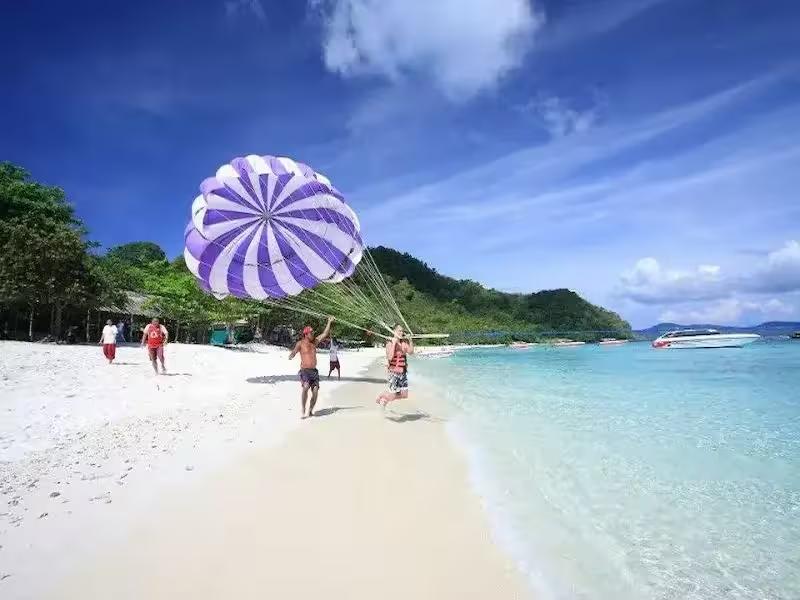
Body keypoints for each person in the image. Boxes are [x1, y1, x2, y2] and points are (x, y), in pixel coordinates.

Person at [289, 317, 333, 419]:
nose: (313, 334)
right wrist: (292, 355)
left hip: (314, 372)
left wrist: (329, 322)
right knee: (305, 387)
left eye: (313, 332)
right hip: (304, 371)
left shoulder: (315, 342)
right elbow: (294, 351)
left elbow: (324, 334)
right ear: (306, 334)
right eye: (311, 333)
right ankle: (303, 408)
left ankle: (310, 410)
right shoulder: (300, 343)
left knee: (315, 392)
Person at [377, 324, 414, 407]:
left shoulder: (403, 343)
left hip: (403, 373)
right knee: (393, 395)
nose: (401, 333)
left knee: (404, 395)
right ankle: (382, 396)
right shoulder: (389, 343)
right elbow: (389, 357)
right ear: (394, 331)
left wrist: (410, 340)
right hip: (393, 372)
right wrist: (394, 343)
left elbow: (411, 352)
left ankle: (385, 398)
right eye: (399, 331)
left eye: (402, 331)